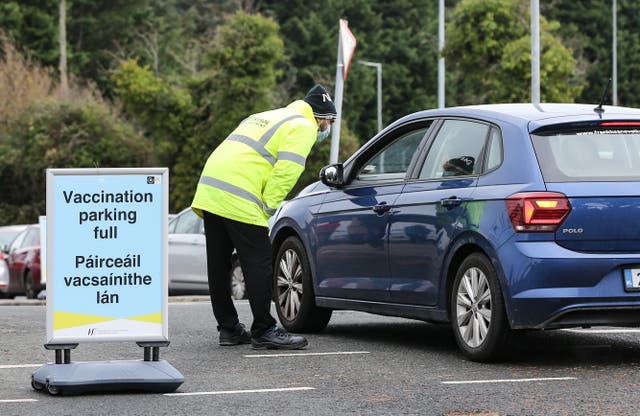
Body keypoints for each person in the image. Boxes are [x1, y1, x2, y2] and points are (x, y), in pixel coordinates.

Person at [191, 84, 337, 350]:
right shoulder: (304, 127)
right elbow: (286, 172)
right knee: (259, 262)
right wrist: (267, 207)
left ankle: (228, 328)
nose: (326, 129)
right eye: (328, 122)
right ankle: (264, 329)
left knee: (219, 264)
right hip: (239, 193)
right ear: (320, 117)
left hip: (211, 187)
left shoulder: (270, 115)